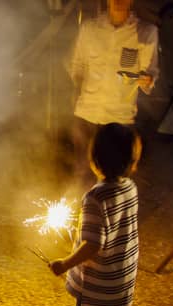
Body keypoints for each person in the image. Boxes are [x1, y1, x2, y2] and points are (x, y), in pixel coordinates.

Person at [49, 123, 142, 306]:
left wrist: (65, 263)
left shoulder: (95, 197)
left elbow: (93, 244)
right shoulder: (130, 188)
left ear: (95, 159)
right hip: (120, 277)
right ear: (132, 160)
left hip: (97, 282)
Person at [68, 0, 158, 186]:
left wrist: (147, 79)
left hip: (120, 117)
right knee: (82, 172)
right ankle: (84, 213)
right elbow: (77, 65)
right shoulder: (90, 29)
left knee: (116, 176)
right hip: (87, 113)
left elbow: (150, 71)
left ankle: (112, 212)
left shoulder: (144, 32)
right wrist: (75, 92)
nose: (118, 1)